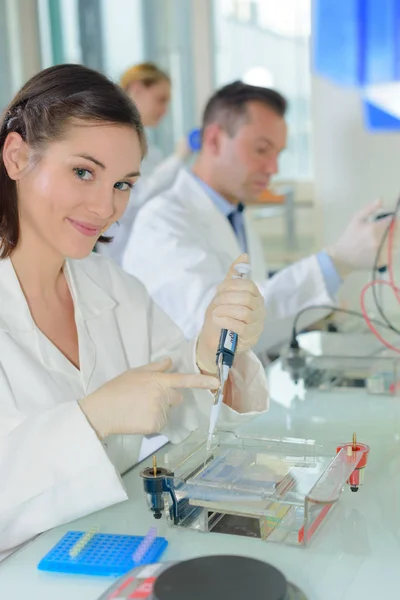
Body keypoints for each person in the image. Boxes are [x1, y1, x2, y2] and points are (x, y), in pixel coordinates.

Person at [0, 66, 268, 561]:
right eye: (83, 171)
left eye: (123, 184)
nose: (106, 207)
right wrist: (90, 418)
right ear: (17, 157)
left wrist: (211, 352)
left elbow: (192, 414)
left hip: (109, 560)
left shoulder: (113, 287)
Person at [122, 81, 393, 353]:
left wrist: (303, 318)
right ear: (214, 140)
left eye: (278, 154)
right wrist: (337, 261)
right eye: (262, 150)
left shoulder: (234, 216)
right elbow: (215, 326)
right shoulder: (161, 222)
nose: (273, 168)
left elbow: (254, 317)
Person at [97, 62, 191, 264]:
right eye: (160, 100)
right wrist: (178, 158)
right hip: (120, 253)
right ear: (137, 89)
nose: (164, 110)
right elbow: (136, 197)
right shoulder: (114, 140)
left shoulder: (146, 145)